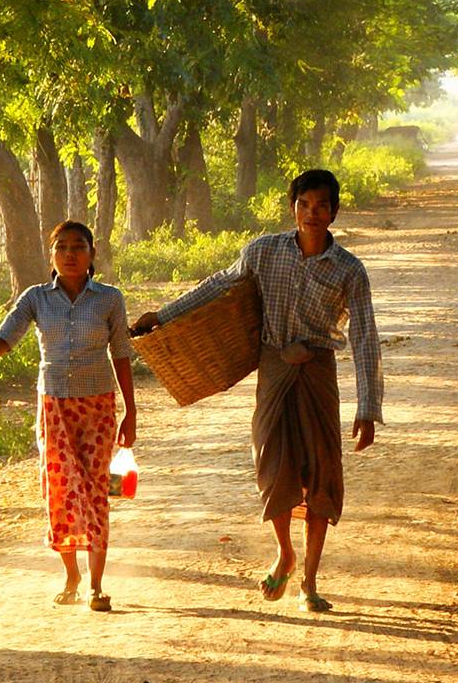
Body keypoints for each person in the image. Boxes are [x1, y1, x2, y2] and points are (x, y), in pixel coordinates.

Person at [133, 168, 380, 615]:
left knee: (322, 471)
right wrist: (164, 315)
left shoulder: (349, 270)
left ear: (334, 212)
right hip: (273, 369)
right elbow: (218, 284)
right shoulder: (263, 251)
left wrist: (368, 407)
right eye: (304, 205)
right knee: (273, 466)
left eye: (321, 205)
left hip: (318, 374)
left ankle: (310, 580)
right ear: (293, 208)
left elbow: (365, 337)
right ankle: (284, 552)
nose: (312, 213)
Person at [0, 221, 136, 612]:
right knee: (61, 492)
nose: (70, 254)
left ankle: (96, 585)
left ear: (93, 254)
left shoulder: (110, 298)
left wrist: (130, 410)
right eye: (62, 247)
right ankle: (71, 575)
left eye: (79, 247)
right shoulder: (36, 298)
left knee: (97, 491)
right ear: (52, 256)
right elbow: (8, 335)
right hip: (54, 407)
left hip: (97, 407)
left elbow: (122, 353)